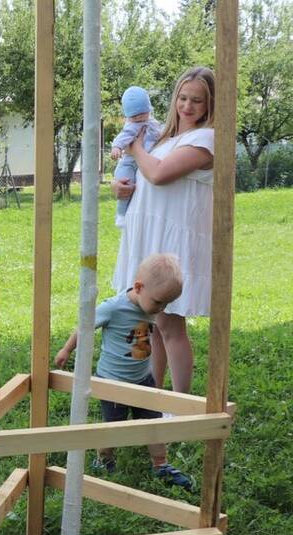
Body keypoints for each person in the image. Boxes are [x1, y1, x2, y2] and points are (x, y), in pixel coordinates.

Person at [112, 66, 216, 396]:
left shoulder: (207, 138)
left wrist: (135, 148)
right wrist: (120, 187)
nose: (187, 106)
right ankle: (150, 395)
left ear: (210, 104)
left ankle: (178, 401)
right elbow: (143, 175)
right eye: (182, 98)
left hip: (171, 242)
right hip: (147, 237)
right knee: (149, 322)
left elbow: (158, 174)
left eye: (197, 100)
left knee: (170, 325)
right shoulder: (165, 138)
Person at [55, 254, 193, 489]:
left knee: (153, 423)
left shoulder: (150, 306)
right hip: (113, 382)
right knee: (113, 426)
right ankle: (104, 459)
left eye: (166, 304)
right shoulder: (113, 308)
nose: (162, 309)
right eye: (159, 302)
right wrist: (66, 349)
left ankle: (161, 464)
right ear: (138, 288)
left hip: (143, 378)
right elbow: (85, 325)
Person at [110, 86, 163, 228]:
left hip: (142, 161)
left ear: (149, 109)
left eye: (142, 113)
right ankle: (121, 215)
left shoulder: (152, 123)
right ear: (128, 116)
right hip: (128, 164)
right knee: (126, 185)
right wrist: (116, 148)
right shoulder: (131, 126)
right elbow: (122, 137)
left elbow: (160, 133)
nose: (139, 118)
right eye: (134, 116)